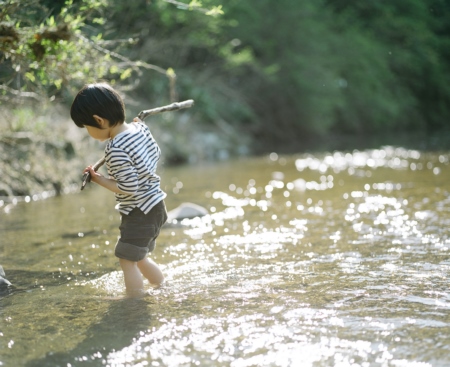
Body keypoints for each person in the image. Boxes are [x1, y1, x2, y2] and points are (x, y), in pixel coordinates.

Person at [70, 82, 167, 297]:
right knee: (138, 256)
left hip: (140, 211)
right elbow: (156, 152)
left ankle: (133, 301)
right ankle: (161, 287)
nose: (89, 132)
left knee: (127, 260)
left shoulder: (115, 149)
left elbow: (128, 188)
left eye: (87, 127)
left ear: (99, 120)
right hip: (156, 205)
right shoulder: (140, 128)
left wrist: (98, 179)